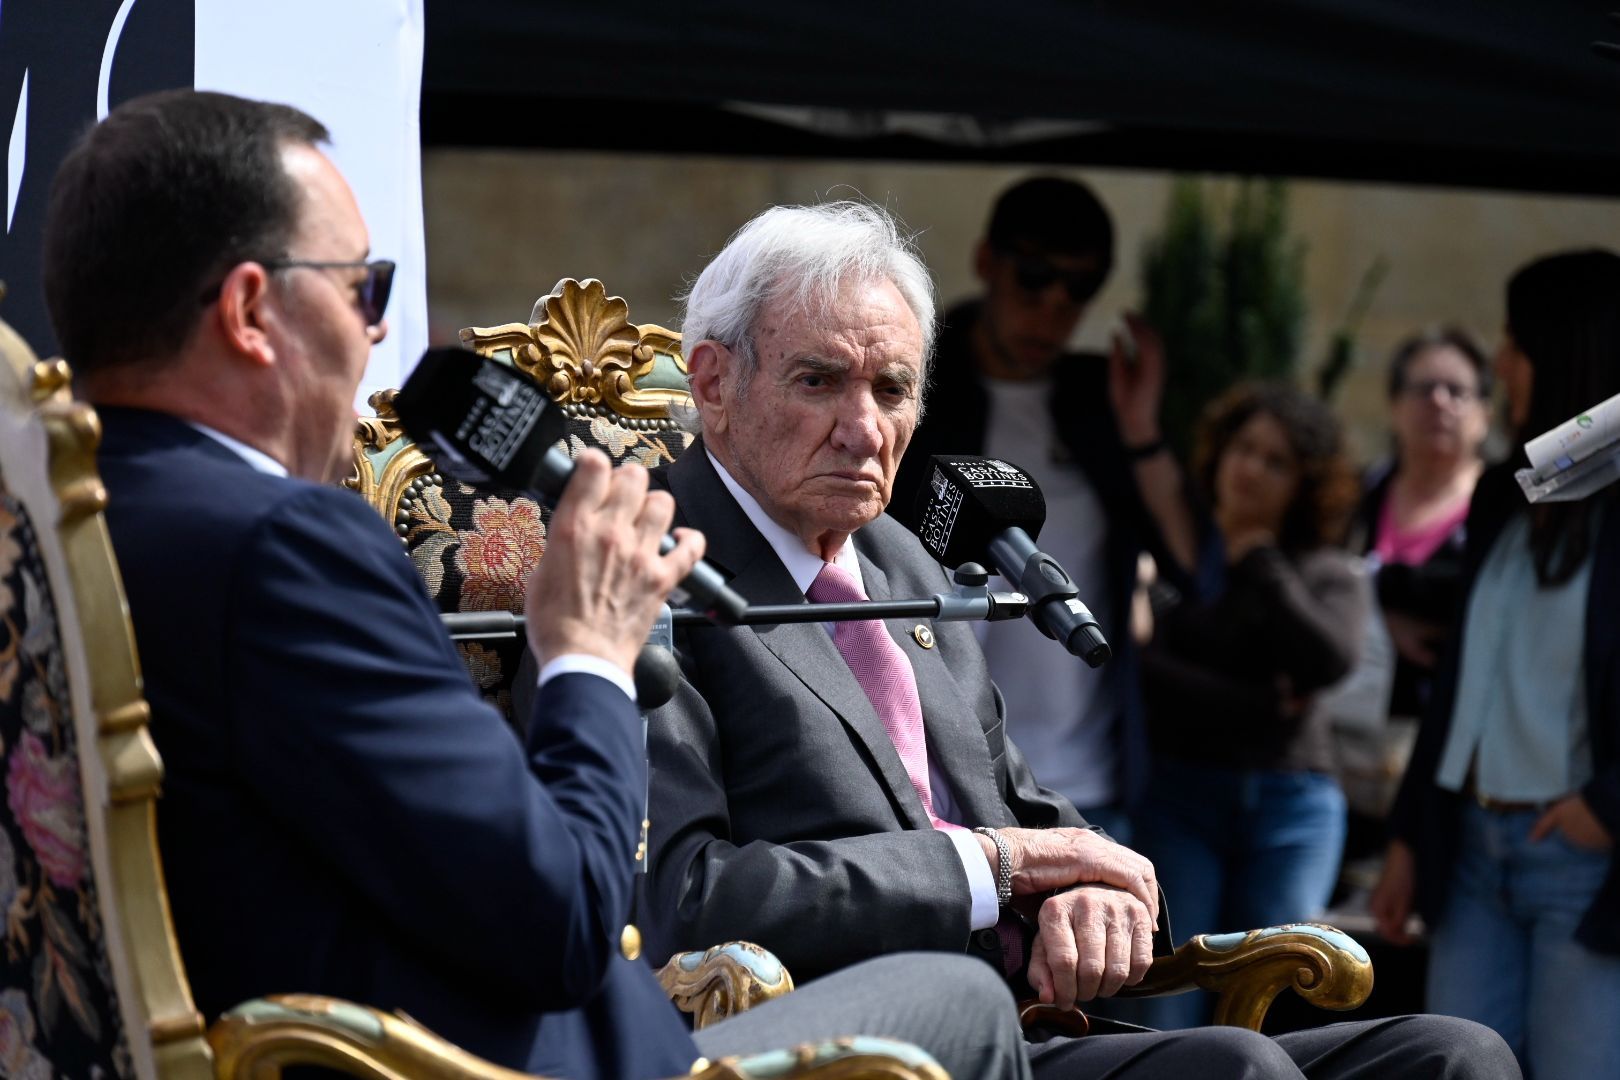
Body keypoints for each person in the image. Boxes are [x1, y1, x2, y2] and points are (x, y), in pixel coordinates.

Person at [39, 89, 1035, 1080]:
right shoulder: (282, 546)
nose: (377, 340)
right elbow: (562, 922)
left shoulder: (56, 524)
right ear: (252, 310)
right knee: (960, 1003)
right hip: (524, 1061)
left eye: (893, 389)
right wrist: (592, 657)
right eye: (363, 292)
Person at [644, 199, 1517, 1079]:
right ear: (714, 384)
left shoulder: (900, 558)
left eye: (892, 389)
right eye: (819, 380)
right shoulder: (642, 566)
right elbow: (681, 897)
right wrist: (990, 866)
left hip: (1032, 1027)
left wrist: (1093, 884)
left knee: (1454, 1056)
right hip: (859, 1046)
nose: (865, 429)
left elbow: (1018, 806)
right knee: (1240, 1071)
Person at [1372, 251, 1620, 1078]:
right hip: (1473, 849)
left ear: (1568, 348)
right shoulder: (1515, 493)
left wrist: (1608, 806)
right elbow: (1462, 686)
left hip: (1583, 859)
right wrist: (1414, 832)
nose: (1502, 361)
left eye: (1516, 339)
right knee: (1458, 1065)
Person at [893, 176, 1183, 841]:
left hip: (1086, 786)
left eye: (1078, 288)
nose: (1052, 307)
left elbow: (1197, 566)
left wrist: (1142, 429)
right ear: (987, 262)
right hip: (934, 778)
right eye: (1033, 277)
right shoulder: (913, 389)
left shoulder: (1099, 402)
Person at [1122, 382, 1364, 1029]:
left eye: (1276, 461)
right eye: (1244, 448)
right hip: (1182, 800)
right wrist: (1257, 701)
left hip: (1292, 807)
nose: (1251, 468)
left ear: (1306, 484)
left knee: (1276, 994)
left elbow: (1329, 659)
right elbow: (1141, 671)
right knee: (1166, 997)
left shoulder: (1320, 571)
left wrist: (1259, 557)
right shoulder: (1177, 559)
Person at [1340, 330, 1491, 857]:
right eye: (1423, 388)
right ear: (1394, 404)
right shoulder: (1357, 498)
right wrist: (1385, 619)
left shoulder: (1500, 512)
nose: (1439, 403)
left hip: (1447, 755)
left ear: (1485, 413)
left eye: (1457, 390)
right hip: (1347, 744)